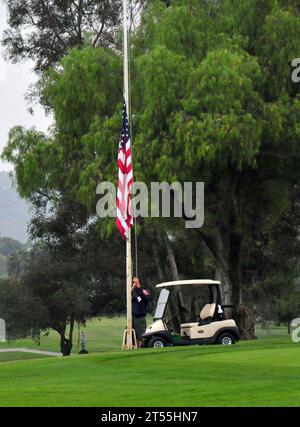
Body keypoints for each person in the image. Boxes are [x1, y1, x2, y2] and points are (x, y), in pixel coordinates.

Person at [132, 277, 149, 348]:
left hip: (140, 318)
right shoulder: (135, 293)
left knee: (140, 337)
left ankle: (140, 350)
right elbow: (128, 297)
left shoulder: (145, 294)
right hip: (133, 318)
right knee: (132, 336)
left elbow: (144, 297)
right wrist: (133, 288)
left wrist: (138, 286)